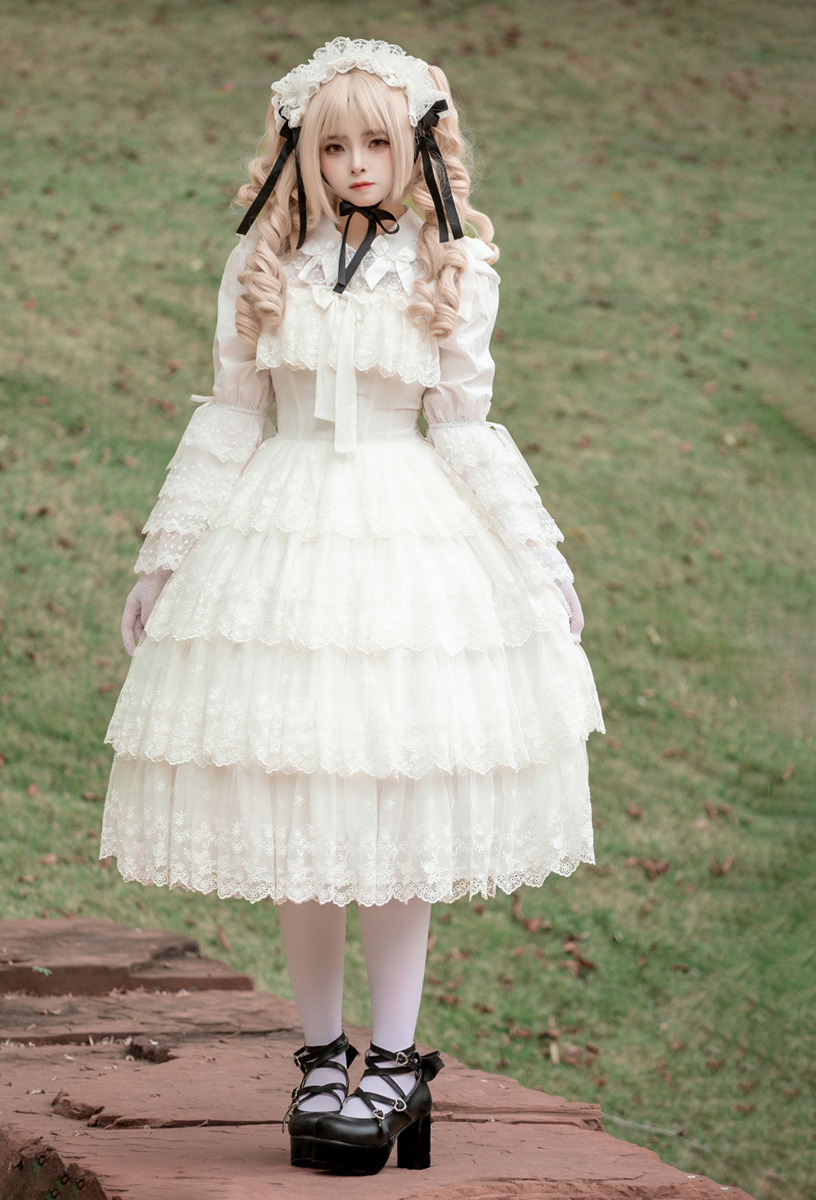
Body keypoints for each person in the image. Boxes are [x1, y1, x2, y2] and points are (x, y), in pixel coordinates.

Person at [100, 37, 604, 1177]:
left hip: (404, 542)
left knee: (394, 802)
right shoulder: (263, 263)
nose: (356, 163)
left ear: (418, 145)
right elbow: (233, 412)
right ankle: (322, 1053)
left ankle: (397, 1061)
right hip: (279, 545)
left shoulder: (450, 266)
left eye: (377, 141)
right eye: (332, 146)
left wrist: (538, 556)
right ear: (303, 153)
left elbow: (464, 423)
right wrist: (165, 558)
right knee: (303, 802)